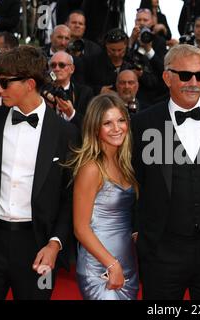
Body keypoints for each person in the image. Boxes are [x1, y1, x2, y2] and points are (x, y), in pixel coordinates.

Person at [131, 44, 200, 300]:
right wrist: (136, 230)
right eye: (185, 76)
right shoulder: (143, 122)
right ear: (166, 77)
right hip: (161, 248)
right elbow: (133, 181)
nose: (194, 82)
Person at [0, 45, 79, 300]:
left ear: (29, 84)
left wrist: (55, 243)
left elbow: (69, 197)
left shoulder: (65, 133)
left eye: (5, 83)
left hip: (38, 247)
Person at [71, 93, 139, 300]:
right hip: (100, 268)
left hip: (127, 263)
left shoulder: (125, 163)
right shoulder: (91, 168)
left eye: (121, 120)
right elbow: (80, 228)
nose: (117, 128)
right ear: (95, 128)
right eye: (107, 123)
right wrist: (112, 264)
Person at [46, 51, 94, 130]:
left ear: (72, 69)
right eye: (53, 65)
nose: (57, 69)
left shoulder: (85, 93)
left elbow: (91, 124)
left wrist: (72, 114)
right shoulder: (43, 92)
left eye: (62, 65)